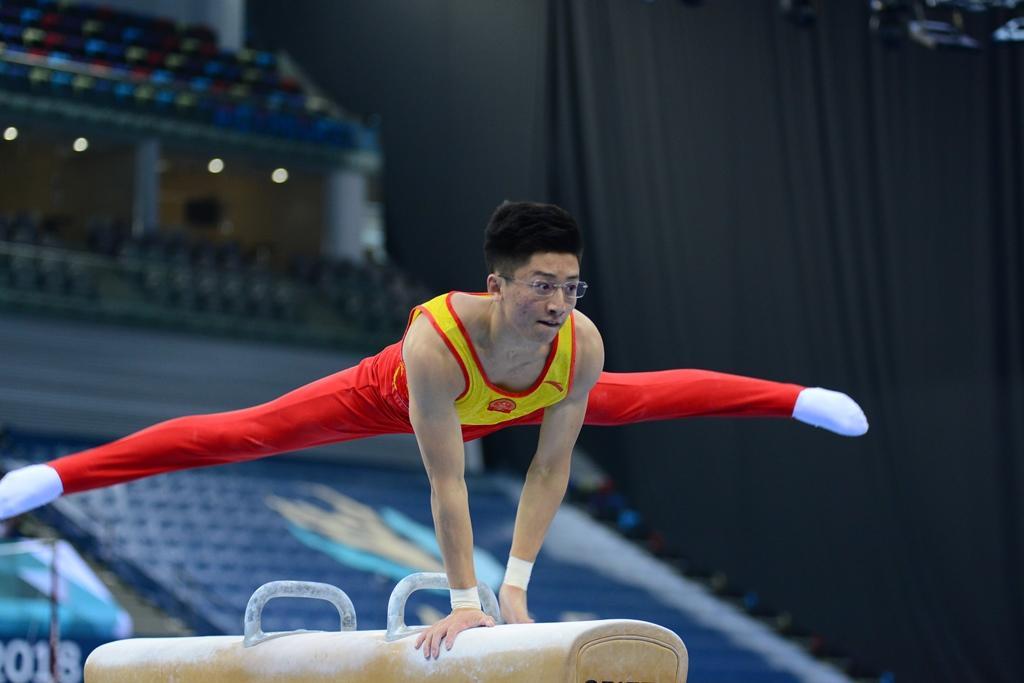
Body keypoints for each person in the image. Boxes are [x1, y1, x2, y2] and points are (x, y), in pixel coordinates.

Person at [0, 201, 867, 659]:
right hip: (403, 396)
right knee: (245, 432)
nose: (558, 304)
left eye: (570, 286)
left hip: (525, 398)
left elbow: (547, 472)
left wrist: (516, 588)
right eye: (540, 286)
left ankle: (796, 398)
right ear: (497, 282)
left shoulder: (580, 342)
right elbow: (449, 484)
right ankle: (59, 478)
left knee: (643, 396)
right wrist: (465, 603)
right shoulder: (434, 341)